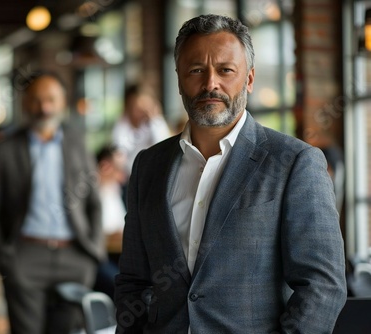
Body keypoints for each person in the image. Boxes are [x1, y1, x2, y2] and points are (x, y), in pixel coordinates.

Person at [114, 14, 346, 333]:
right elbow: (133, 281)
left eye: (225, 70)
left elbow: (322, 286)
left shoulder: (294, 162)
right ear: (180, 77)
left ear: (249, 79)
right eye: (197, 70)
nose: (211, 83)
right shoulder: (148, 165)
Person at [0, 71, 105, 334]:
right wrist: (2, 254)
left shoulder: (77, 143)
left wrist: (94, 249)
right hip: (25, 256)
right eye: (36, 100)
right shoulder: (5, 149)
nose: (44, 107)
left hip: (75, 256)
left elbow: (94, 201)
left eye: (50, 99)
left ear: (62, 102)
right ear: (25, 103)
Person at [111, 84, 171, 177]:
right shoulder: (122, 124)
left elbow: (164, 146)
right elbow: (120, 155)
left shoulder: (157, 123)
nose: (140, 111)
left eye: (144, 106)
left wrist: (154, 121)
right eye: (135, 106)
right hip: (132, 176)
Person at [93, 144, 127, 298]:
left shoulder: (114, 191)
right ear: (104, 166)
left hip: (117, 256)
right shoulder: (92, 193)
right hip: (97, 259)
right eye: (118, 168)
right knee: (124, 287)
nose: (122, 176)